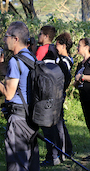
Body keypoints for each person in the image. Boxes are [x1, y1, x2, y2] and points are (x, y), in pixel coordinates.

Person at [0, 21, 40, 171]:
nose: (4, 39)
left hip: (18, 120)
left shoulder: (15, 61)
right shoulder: (31, 57)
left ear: (16, 39)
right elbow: (20, 82)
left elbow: (8, 94)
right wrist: (0, 66)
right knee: (30, 163)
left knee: (17, 165)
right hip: (31, 118)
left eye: (7, 36)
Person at [35, 25, 62, 166]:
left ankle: (51, 157)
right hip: (56, 91)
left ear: (46, 36)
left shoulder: (42, 49)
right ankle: (56, 155)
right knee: (53, 125)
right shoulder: (54, 49)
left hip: (44, 93)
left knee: (46, 126)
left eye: (40, 34)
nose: (38, 36)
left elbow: (34, 67)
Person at [55, 32, 74, 160]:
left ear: (63, 46)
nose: (54, 47)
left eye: (56, 45)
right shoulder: (62, 59)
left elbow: (64, 78)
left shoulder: (65, 61)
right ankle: (66, 149)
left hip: (59, 94)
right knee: (59, 122)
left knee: (59, 123)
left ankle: (66, 150)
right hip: (59, 93)